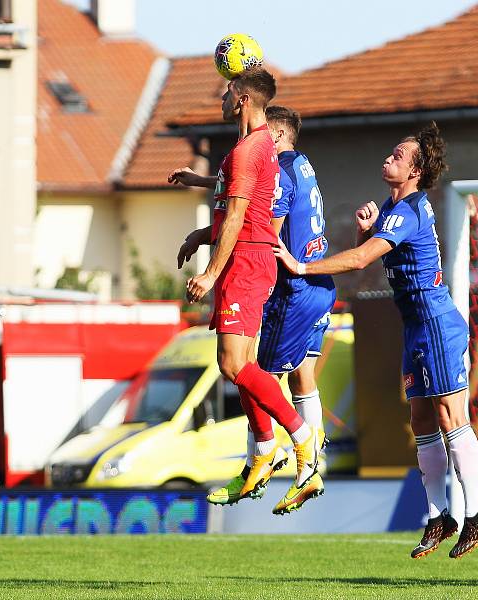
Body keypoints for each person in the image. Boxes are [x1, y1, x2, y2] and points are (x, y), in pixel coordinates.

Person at [274, 121, 478, 559]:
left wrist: (301, 267)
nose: (389, 156)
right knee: (421, 420)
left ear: (414, 171)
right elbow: (371, 253)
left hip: (435, 321)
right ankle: (439, 517)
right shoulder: (396, 211)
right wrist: (366, 232)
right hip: (414, 324)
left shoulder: (409, 209)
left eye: (399, 154)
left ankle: (475, 515)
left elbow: (359, 262)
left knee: (452, 417)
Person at [169, 69, 320, 505]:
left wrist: (210, 272)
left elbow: (237, 216)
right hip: (247, 258)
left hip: (247, 262)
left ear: (242, 99)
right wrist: (201, 234)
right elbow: (234, 200)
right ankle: (262, 453)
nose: (220, 95)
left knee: (235, 365)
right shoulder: (250, 149)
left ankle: (302, 441)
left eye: (227, 90)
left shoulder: (249, 150)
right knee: (241, 367)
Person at [196, 106, 336, 514]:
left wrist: (210, 249)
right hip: (318, 289)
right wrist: (205, 182)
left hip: (291, 287)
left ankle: (278, 457)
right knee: (301, 378)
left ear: (274, 136)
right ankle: (307, 454)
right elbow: (251, 186)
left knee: (250, 371)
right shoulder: (301, 166)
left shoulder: (281, 172)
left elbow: (260, 225)